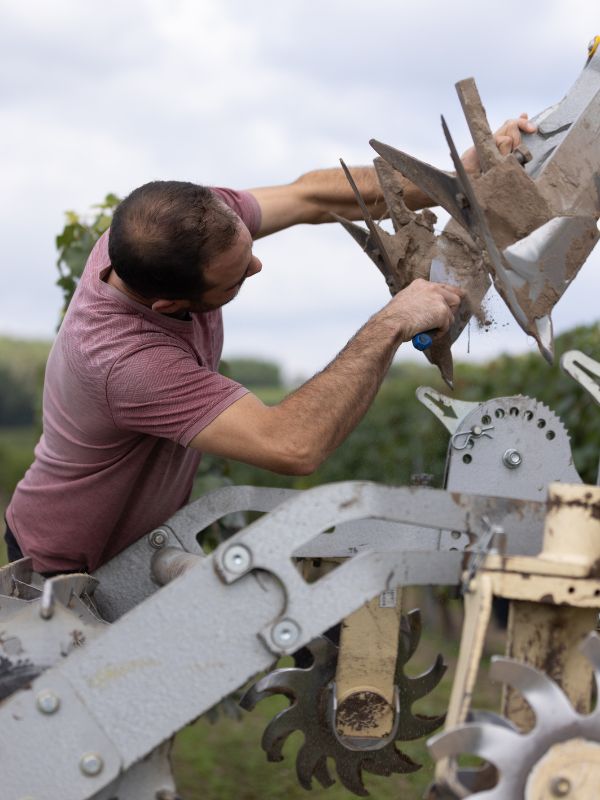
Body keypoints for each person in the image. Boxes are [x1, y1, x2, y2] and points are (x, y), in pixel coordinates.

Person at [4, 116, 535, 574]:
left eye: (248, 250)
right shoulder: (126, 362)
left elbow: (309, 196)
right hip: (67, 568)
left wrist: (454, 178)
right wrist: (391, 323)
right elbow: (291, 445)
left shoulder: (170, 227)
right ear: (169, 306)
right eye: (237, 279)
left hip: (135, 546)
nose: (257, 265)